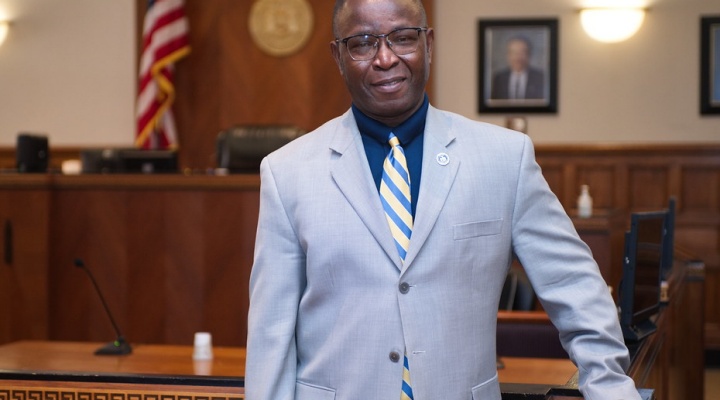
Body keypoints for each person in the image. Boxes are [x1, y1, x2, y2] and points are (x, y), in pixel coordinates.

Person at [245, 0, 641, 399]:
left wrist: (609, 386)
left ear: (428, 44)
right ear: (338, 56)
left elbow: (575, 287)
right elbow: (271, 331)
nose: (385, 58)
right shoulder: (287, 172)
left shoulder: (504, 158)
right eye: (363, 43)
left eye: (402, 38)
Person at [490, 36, 545, 100]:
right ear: (508, 55)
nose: (518, 57)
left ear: (529, 55)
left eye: (522, 53)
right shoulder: (498, 78)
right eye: (514, 53)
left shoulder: (540, 78)